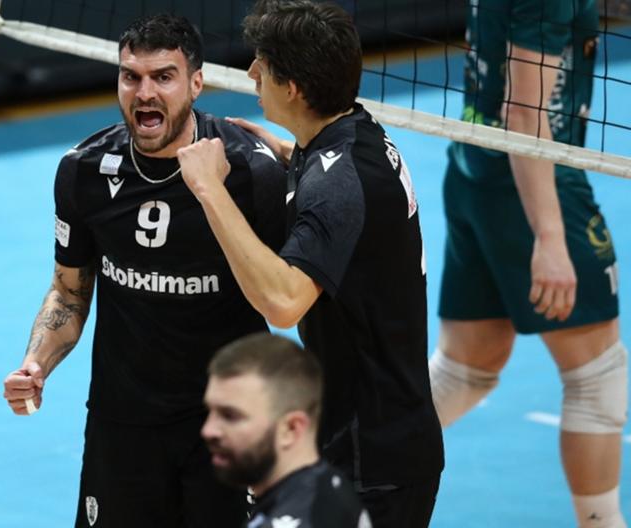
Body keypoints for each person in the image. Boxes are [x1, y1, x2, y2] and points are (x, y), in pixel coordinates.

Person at [1, 14, 288, 528]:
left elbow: (289, 298)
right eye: (131, 76)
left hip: (229, 422)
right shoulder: (84, 170)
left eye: (163, 77)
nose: (145, 92)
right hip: (124, 422)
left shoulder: (250, 171)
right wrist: (35, 363)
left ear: (196, 83)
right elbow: (69, 290)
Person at [177, 1, 443, 525]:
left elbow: (283, 302)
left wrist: (209, 190)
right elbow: (339, 192)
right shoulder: (346, 135)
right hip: (374, 430)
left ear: (294, 88)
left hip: (373, 458)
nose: (251, 73)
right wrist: (291, 157)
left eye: (262, 65)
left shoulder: (336, 184)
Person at [426, 1, 627, 526]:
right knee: (597, 376)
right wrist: (551, 237)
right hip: (532, 175)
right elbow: (523, 113)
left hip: (476, 160)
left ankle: (325, 470)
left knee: (466, 370)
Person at [202, 332, 371, 528]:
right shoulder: (331, 485)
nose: (208, 430)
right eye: (209, 412)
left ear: (291, 428)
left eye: (230, 416)